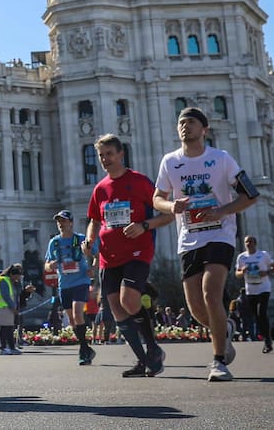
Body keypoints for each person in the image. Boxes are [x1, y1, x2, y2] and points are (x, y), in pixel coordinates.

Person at [153, 107, 258, 382]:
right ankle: (225, 329)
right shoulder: (170, 161)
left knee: (211, 293)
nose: (184, 126)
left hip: (220, 234)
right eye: (181, 123)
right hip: (189, 238)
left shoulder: (221, 159)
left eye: (191, 122)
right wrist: (171, 206)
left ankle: (219, 361)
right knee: (197, 308)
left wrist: (222, 211)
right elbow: (157, 198)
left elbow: (250, 194)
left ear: (204, 129)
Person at [83, 134, 172, 377]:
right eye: (101, 156)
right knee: (118, 310)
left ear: (121, 154)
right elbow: (94, 221)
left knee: (130, 300)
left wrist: (144, 226)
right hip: (108, 257)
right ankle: (143, 360)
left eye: (109, 154)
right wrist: (89, 240)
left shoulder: (139, 181)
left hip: (137, 252)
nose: (105, 159)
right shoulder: (100, 189)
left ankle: (153, 349)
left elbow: (167, 215)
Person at [46, 209, 94, 365]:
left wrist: (93, 268)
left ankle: (83, 350)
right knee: (72, 320)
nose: (61, 224)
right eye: (58, 221)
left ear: (71, 223)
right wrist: (50, 266)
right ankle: (85, 347)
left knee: (77, 312)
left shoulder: (80, 239)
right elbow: (46, 264)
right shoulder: (54, 242)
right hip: (64, 284)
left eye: (64, 221)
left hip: (81, 281)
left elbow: (97, 254)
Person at [235, 235, 274, 353]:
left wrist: (266, 272)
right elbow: (237, 274)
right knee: (257, 316)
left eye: (250, 242)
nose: (248, 244)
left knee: (261, 313)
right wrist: (242, 271)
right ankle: (266, 336)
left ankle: (267, 341)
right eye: (246, 242)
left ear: (255, 243)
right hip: (250, 290)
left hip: (264, 288)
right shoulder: (241, 257)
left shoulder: (263, 255)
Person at [0, 264, 23, 354]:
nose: (17, 278)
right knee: (4, 329)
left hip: (7, 308)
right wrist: (13, 307)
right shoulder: (3, 281)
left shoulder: (9, 281)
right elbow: (6, 296)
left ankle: (12, 347)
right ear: (12, 274)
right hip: (2, 308)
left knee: (9, 328)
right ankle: (3, 347)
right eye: (17, 276)